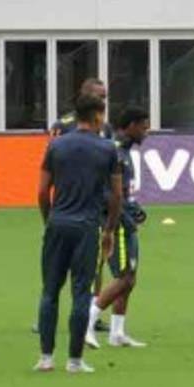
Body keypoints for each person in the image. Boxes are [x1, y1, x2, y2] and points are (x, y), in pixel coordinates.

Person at [36, 95, 123, 374]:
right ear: (97, 116)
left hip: (58, 224)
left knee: (50, 291)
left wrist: (49, 220)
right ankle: (74, 361)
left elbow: (41, 191)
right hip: (87, 227)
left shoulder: (56, 145)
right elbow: (116, 195)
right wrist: (109, 230)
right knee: (81, 293)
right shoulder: (108, 149)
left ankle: (46, 358)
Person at [47, 76, 114, 331]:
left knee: (96, 261)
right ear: (85, 95)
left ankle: (90, 313)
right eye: (100, 96)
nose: (103, 101)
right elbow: (50, 163)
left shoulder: (105, 127)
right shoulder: (61, 125)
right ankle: (48, 310)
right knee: (59, 263)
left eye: (105, 96)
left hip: (94, 202)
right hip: (68, 202)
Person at [85, 106, 150, 349]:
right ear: (130, 126)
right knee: (123, 278)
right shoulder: (113, 153)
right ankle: (87, 322)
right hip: (118, 223)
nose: (147, 132)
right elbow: (107, 193)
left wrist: (135, 209)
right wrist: (119, 218)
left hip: (126, 220)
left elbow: (122, 192)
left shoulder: (123, 152)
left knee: (130, 279)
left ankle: (117, 332)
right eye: (143, 126)